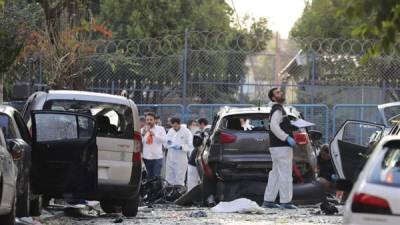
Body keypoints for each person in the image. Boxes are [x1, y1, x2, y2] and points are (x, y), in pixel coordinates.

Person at [262, 88, 298, 209]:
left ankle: (268, 200)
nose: (281, 93)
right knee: (286, 174)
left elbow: (277, 125)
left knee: (276, 174)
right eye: (277, 93)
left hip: (276, 147)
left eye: (281, 92)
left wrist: (290, 126)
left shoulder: (276, 109)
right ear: (273, 98)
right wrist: (286, 137)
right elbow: (273, 126)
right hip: (282, 146)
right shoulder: (278, 109)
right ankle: (286, 202)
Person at [166, 117, 194, 186]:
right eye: (173, 125)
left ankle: (180, 194)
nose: (174, 127)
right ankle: (170, 194)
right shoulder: (170, 131)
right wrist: (168, 144)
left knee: (179, 179)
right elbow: (165, 142)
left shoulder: (186, 132)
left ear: (179, 124)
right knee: (169, 178)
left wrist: (181, 147)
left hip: (180, 159)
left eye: (176, 125)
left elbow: (191, 146)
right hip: (170, 158)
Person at [141, 112, 167, 179]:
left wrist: (155, 135)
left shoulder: (161, 129)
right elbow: (141, 143)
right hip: (146, 157)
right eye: (147, 120)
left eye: (151, 119)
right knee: (148, 177)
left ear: (154, 120)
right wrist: (143, 134)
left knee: (156, 177)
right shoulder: (142, 130)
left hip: (157, 158)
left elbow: (164, 140)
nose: (149, 121)